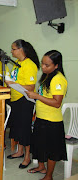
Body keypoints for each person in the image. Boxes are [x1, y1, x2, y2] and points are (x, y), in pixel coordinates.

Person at [26, 50, 67, 180]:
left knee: (51, 150)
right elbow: (43, 97)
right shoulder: (47, 76)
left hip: (52, 122)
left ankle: (49, 176)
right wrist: (36, 114)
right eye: (42, 64)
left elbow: (56, 103)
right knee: (40, 146)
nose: (43, 67)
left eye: (47, 65)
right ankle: (41, 167)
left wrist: (36, 96)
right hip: (41, 118)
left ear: (56, 65)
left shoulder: (58, 79)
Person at [5, 39, 40, 169]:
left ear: (21, 50)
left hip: (25, 100)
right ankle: (19, 152)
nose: (11, 51)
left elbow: (30, 87)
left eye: (13, 49)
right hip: (15, 99)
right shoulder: (17, 64)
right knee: (17, 128)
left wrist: (12, 84)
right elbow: (15, 79)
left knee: (24, 129)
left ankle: (27, 157)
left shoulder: (29, 64)